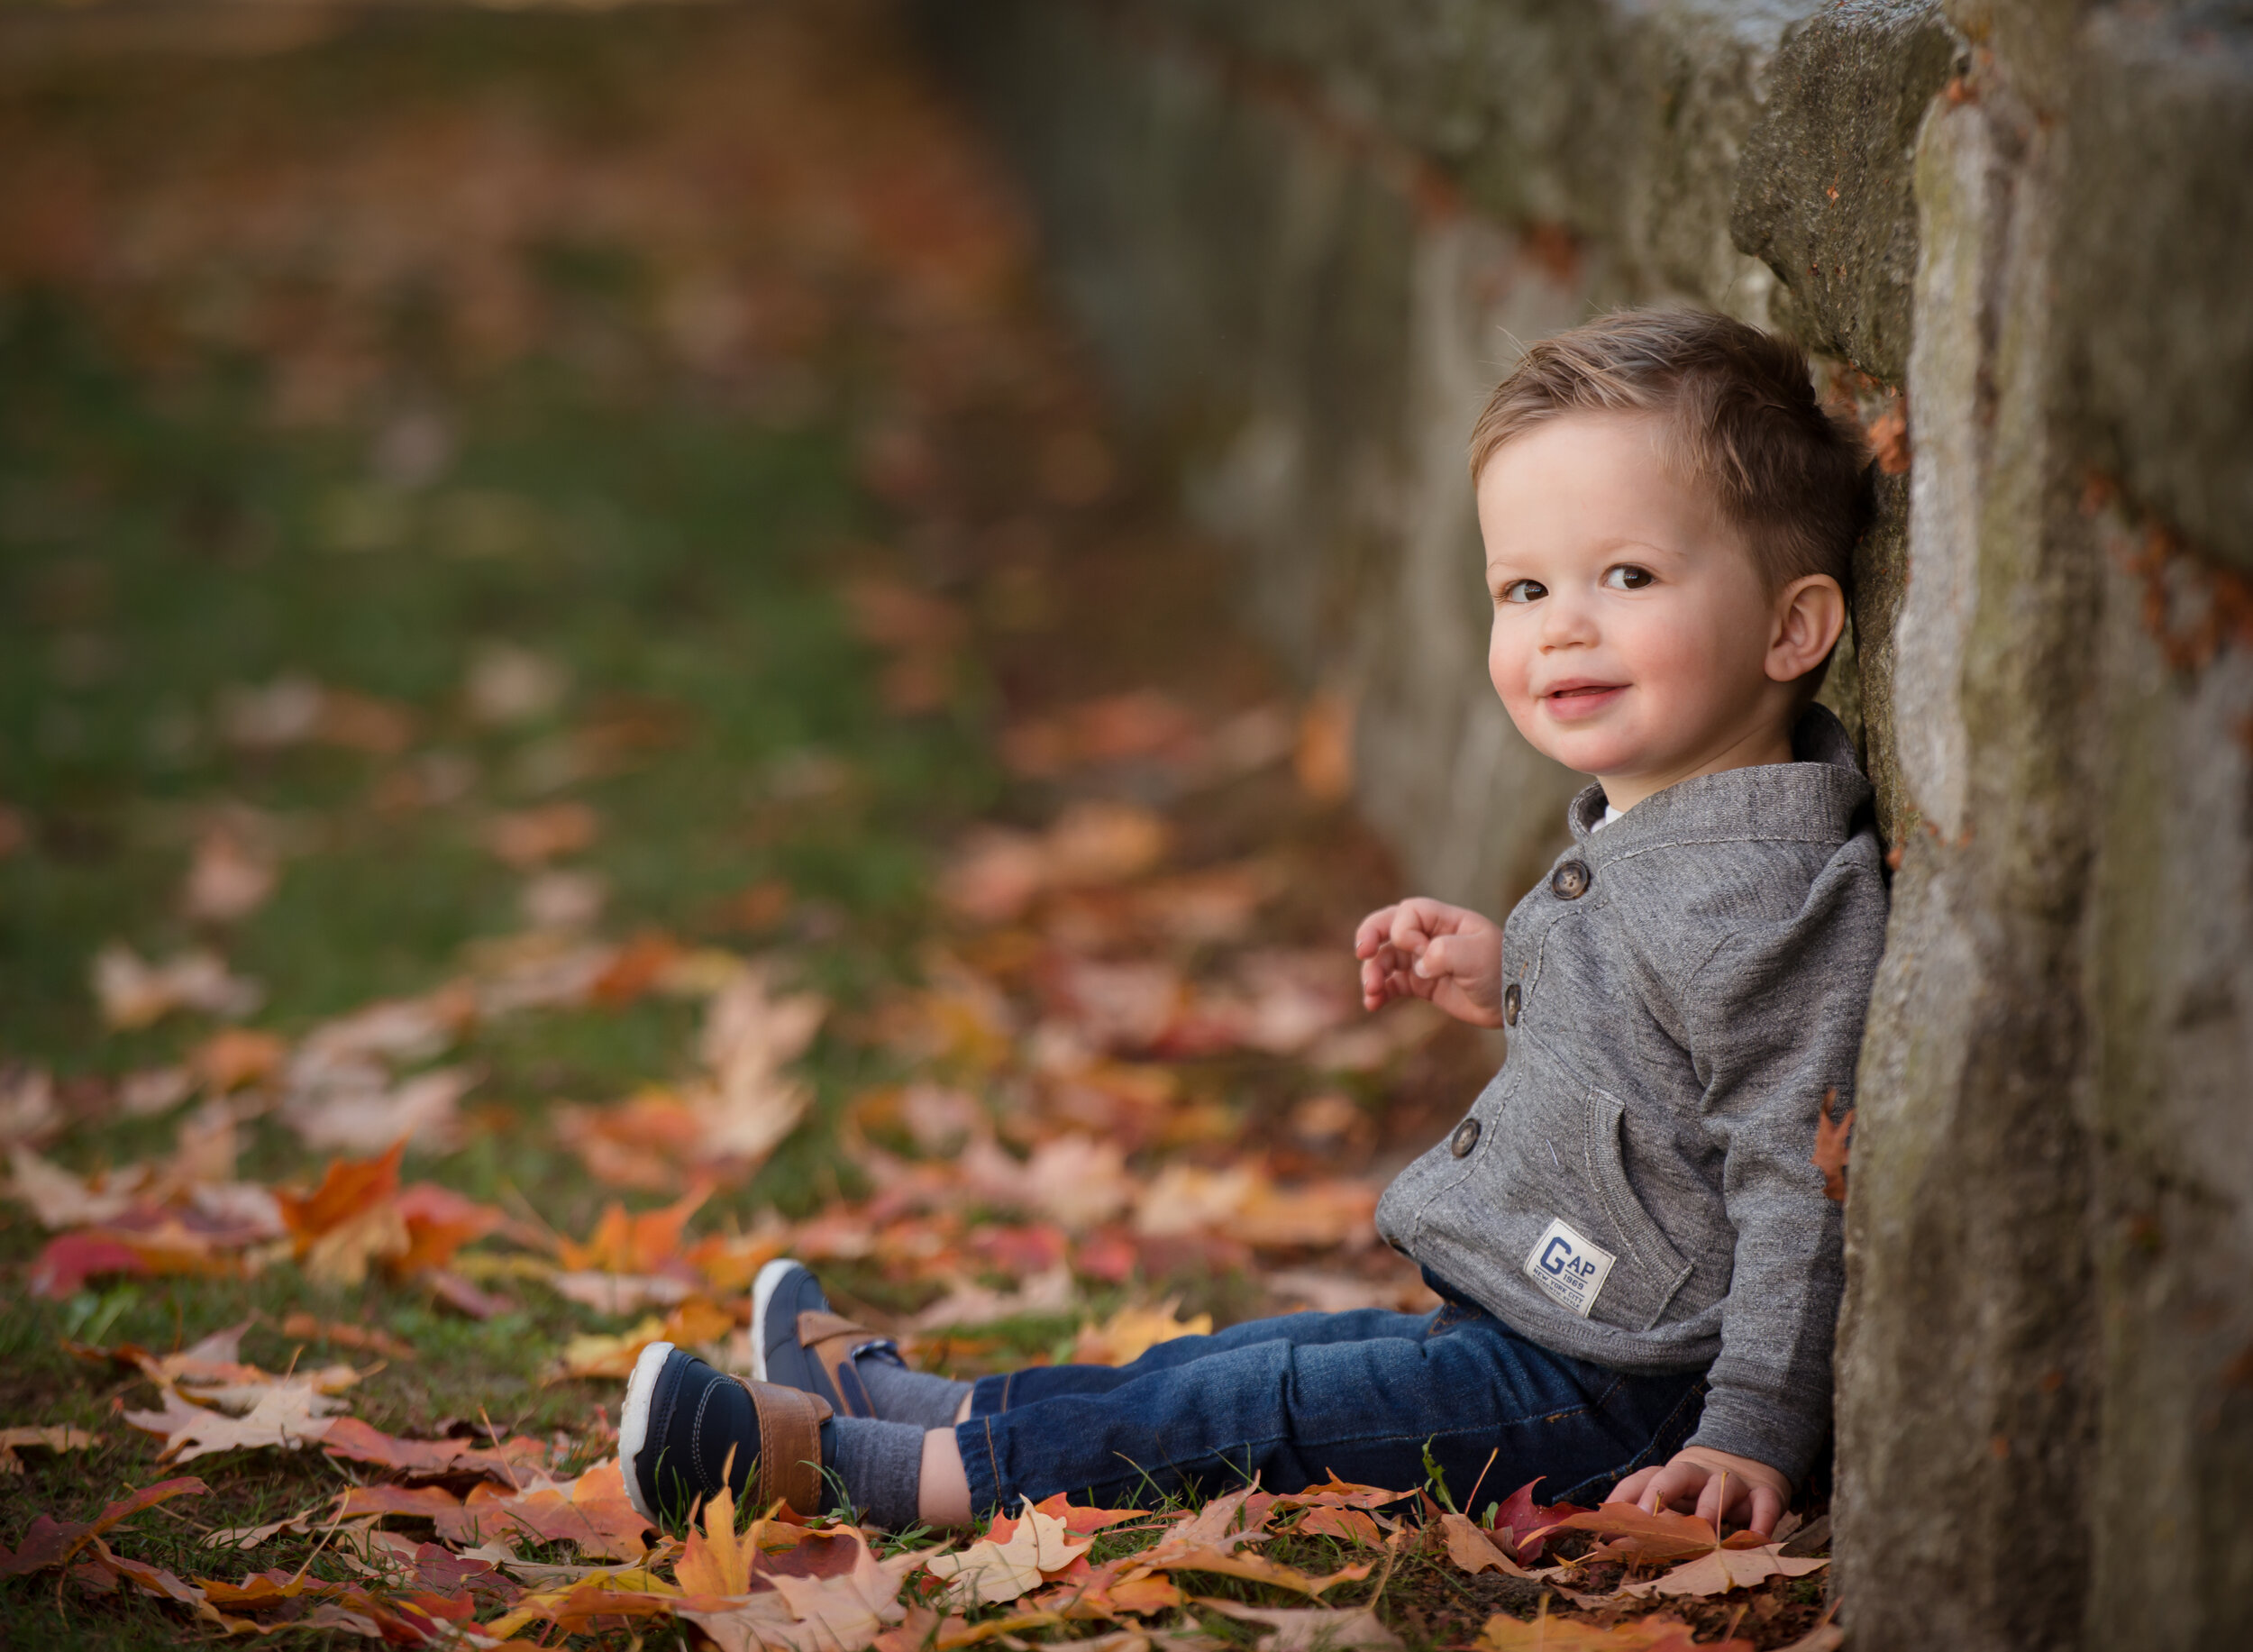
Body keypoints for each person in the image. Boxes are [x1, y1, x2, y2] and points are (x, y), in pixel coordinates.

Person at [616, 307, 1887, 1541]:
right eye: (1523, 585)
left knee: (1245, 1410)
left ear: (1793, 626)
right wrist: (1514, 971)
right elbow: (1660, 1040)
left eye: (1628, 575)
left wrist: (1752, 1428)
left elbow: (1799, 1170)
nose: (1561, 623)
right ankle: (922, 1406)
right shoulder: (1678, 810)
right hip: (1551, 1335)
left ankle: (846, 1471)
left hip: (1630, 1398)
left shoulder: (1763, 893)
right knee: (1239, 1360)